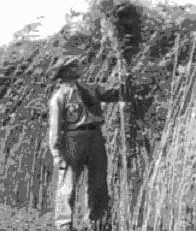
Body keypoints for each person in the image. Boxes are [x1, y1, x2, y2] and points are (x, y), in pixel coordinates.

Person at [47, 55, 127, 231]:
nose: (79, 67)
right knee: (68, 182)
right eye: (73, 65)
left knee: (98, 180)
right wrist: (56, 154)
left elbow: (112, 94)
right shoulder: (59, 98)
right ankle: (64, 224)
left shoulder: (90, 88)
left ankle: (94, 220)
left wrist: (125, 81)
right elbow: (54, 129)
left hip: (95, 137)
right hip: (73, 139)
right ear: (65, 72)